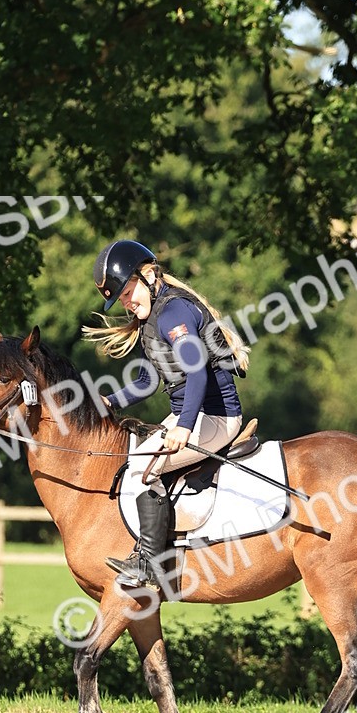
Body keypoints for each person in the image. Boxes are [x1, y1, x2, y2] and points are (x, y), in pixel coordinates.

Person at [84, 239, 249, 589]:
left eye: (128, 292)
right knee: (135, 461)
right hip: (192, 414)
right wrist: (111, 401)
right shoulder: (150, 321)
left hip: (217, 417)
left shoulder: (174, 312)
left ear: (148, 276)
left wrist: (184, 427)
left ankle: (150, 565)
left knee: (143, 467)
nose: (126, 303)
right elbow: (147, 380)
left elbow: (197, 372)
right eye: (120, 299)